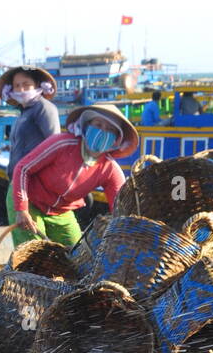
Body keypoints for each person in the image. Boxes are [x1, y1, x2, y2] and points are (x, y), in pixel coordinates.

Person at [11, 102, 139, 248]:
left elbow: (120, 207)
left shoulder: (110, 169)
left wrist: (126, 235)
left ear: (116, 139)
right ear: (86, 126)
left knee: (78, 252)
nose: (102, 131)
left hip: (61, 211)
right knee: (33, 250)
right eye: (98, 125)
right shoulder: (61, 143)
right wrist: (21, 209)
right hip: (29, 199)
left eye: (110, 129)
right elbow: (22, 169)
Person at [0, 65, 60, 244]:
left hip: (37, 185)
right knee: (29, 244)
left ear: (38, 85)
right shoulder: (23, 113)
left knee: (39, 243)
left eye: (26, 84)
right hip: (18, 184)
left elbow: (56, 146)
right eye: (17, 86)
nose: (21, 89)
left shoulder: (44, 108)